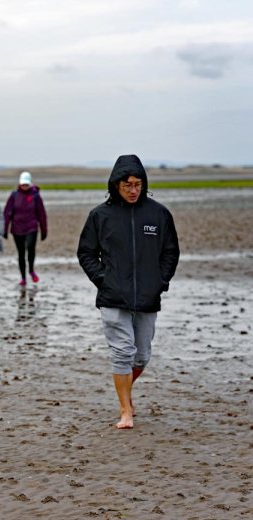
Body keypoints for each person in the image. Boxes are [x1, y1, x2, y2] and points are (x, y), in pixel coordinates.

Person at [77, 154, 179, 430]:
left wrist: (160, 281)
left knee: (141, 355)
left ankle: (125, 393)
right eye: (127, 185)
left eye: (138, 184)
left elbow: (170, 253)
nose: (133, 190)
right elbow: (86, 253)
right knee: (122, 352)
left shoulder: (158, 214)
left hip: (147, 297)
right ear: (115, 185)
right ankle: (125, 411)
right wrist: (104, 279)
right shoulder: (100, 215)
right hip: (113, 297)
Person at [3, 171, 48, 286]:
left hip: (31, 227)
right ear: (20, 184)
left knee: (30, 248)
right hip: (17, 229)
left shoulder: (36, 196)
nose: (24, 186)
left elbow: (41, 214)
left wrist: (44, 230)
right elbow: (7, 213)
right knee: (21, 253)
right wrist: (5, 228)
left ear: (30, 184)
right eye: (23, 184)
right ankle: (23, 277)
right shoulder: (14, 196)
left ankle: (31, 270)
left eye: (26, 184)